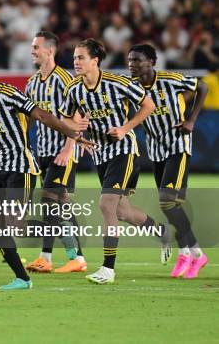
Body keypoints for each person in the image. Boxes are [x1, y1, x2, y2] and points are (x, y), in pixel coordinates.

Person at [0, 53, 93, 290]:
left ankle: (61, 229)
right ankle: (22, 278)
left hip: (21, 168)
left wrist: (71, 133)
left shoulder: (7, 94)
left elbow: (41, 115)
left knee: (13, 224)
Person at [59, 38, 171, 284]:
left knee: (106, 204)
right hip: (101, 154)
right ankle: (162, 232)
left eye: (81, 57)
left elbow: (148, 105)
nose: (76, 62)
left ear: (95, 60)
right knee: (121, 211)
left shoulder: (117, 83)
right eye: (75, 57)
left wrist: (124, 128)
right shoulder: (73, 89)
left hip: (124, 149)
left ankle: (108, 269)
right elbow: (65, 119)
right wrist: (77, 134)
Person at [128, 43, 208, 279]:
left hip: (178, 147)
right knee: (173, 205)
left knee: (167, 202)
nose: (132, 64)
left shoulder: (170, 80)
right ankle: (188, 253)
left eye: (137, 60)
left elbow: (202, 86)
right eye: (130, 60)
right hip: (155, 150)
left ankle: (194, 253)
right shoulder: (131, 87)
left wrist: (192, 120)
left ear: (152, 62)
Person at [24, 31, 87, 273]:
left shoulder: (64, 79)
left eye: (36, 47)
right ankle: (77, 258)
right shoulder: (31, 83)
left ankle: (46, 257)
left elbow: (79, 115)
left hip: (63, 152)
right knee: (62, 205)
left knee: (48, 202)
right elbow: (29, 118)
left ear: (50, 50)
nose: (32, 50)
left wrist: (68, 148)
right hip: (43, 152)